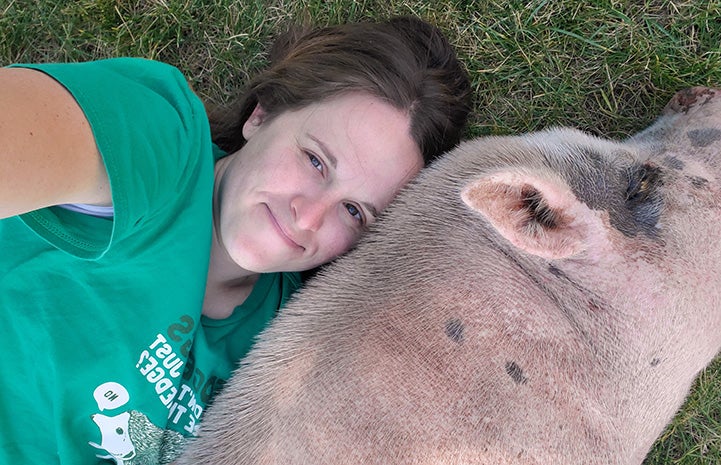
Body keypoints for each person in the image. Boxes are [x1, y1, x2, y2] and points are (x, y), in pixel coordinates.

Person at [0, 15, 471, 465]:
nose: (308, 217)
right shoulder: (163, 150)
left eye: (354, 211)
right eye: (315, 160)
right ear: (262, 115)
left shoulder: (293, 336)